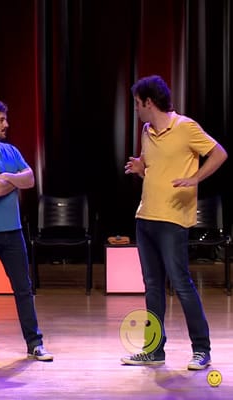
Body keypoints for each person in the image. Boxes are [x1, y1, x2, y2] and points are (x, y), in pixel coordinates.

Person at [122, 75, 228, 370]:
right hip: (146, 217)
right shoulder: (146, 131)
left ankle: (201, 349)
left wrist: (195, 178)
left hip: (172, 220)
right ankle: (153, 350)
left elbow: (219, 154)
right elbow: (153, 166)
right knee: (152, 287)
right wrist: (141, 167)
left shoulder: (185, 127)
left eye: (137, 103)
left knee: (181, 284)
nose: (136, 109)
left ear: (149, 102)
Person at [0, 99, 53, 363]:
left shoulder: (11, 151)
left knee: (23, 288)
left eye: (6, 119)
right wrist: (15, 180)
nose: (6, 124)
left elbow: (31, 179)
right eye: (1, 120)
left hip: (12, 231)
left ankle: (34, 343)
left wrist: (7, 177)